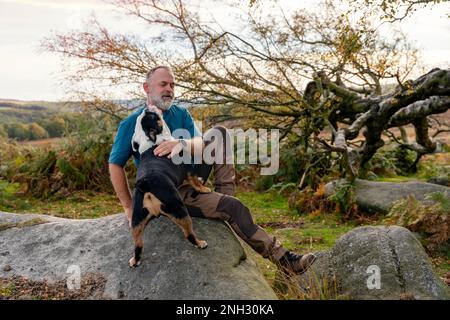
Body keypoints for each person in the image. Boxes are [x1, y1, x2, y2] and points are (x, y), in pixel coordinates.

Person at [108, 66, 316, 275]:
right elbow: (115, 163)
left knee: (219, 133)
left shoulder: (180, 113)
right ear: (147, 87)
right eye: (163, 84)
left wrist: (181, 143)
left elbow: (201, 143)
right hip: (168, 190)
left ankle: (224, 198)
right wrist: (127, 206)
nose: (169, 89)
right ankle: (285, 261)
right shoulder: (131, 123)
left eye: (172, 85)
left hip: (190, 177)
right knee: (234, 208)